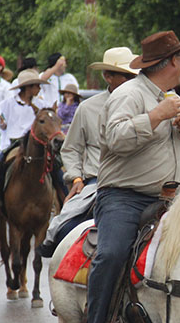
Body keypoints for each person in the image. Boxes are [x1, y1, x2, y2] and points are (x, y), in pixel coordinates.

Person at [85, 31, 180, 323]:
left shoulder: (169, 95)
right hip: (124, 197)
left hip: (173, 199)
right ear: (173, 62)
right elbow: (114, 139)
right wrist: (157, 115)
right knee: (111, 255)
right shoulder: (129, 94)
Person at [39, 46, 140, 257]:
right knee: (66, 229)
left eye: (133, 75)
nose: (132, 80)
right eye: (126, 75)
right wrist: (76, 178)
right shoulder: (88, 108)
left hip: (141, 182)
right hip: (98, 181)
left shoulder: (146, 104)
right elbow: (72, 147)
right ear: (108, 76)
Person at [0, 69, 50, 213]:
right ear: (28, 87)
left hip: (36, 145)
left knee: (56, 169)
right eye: (37, 85)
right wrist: (2, 122)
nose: (39, 88)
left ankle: (64, 200)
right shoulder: (8, 103)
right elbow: (0, 119)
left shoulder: (41, 105)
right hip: (13, 144)